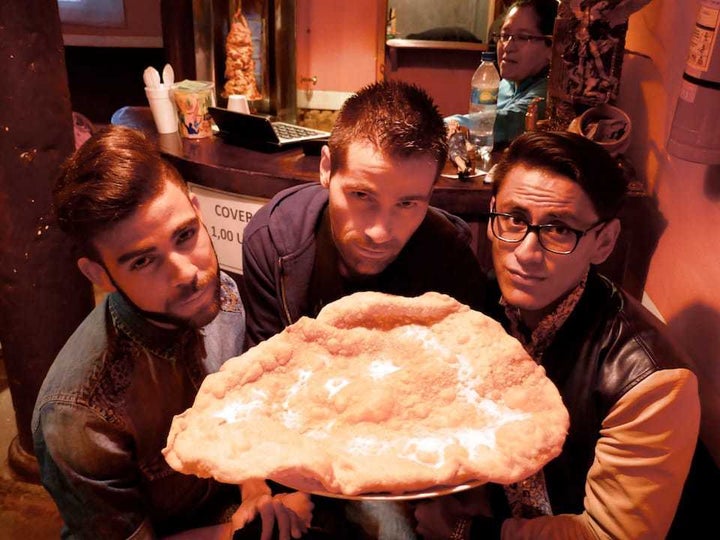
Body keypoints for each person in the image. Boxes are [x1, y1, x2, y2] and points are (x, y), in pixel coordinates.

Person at [414, 131, 705, 539]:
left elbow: (610, 536)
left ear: (604, 241)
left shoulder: (651, 382)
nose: (527, 253)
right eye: (515, 219)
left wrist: (467, 530)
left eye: (559, 230)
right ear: (494, 213)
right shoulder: (472, 311)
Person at [32, 125, 311, 540]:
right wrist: (236, 529)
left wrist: (255, 490)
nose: (187, 273)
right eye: (143, 261)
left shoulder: (220, 296)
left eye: (185, 235)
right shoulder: (77, 416)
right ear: (99, 274)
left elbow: (237, 415)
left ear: (198, 211)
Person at [242, 79, 486, 349]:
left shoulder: (449, 256)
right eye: (361, 195)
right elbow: (267, 380)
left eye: (407, 204)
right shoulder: (274, 243)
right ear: (326, 168)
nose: (379, 233)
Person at [447, 0, 558, 146]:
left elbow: (505, 123)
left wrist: (439, 126)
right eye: (504, 36)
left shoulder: (548, 95)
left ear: (551, 47)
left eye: (523, 37)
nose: (507, 46)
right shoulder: (507, 83)